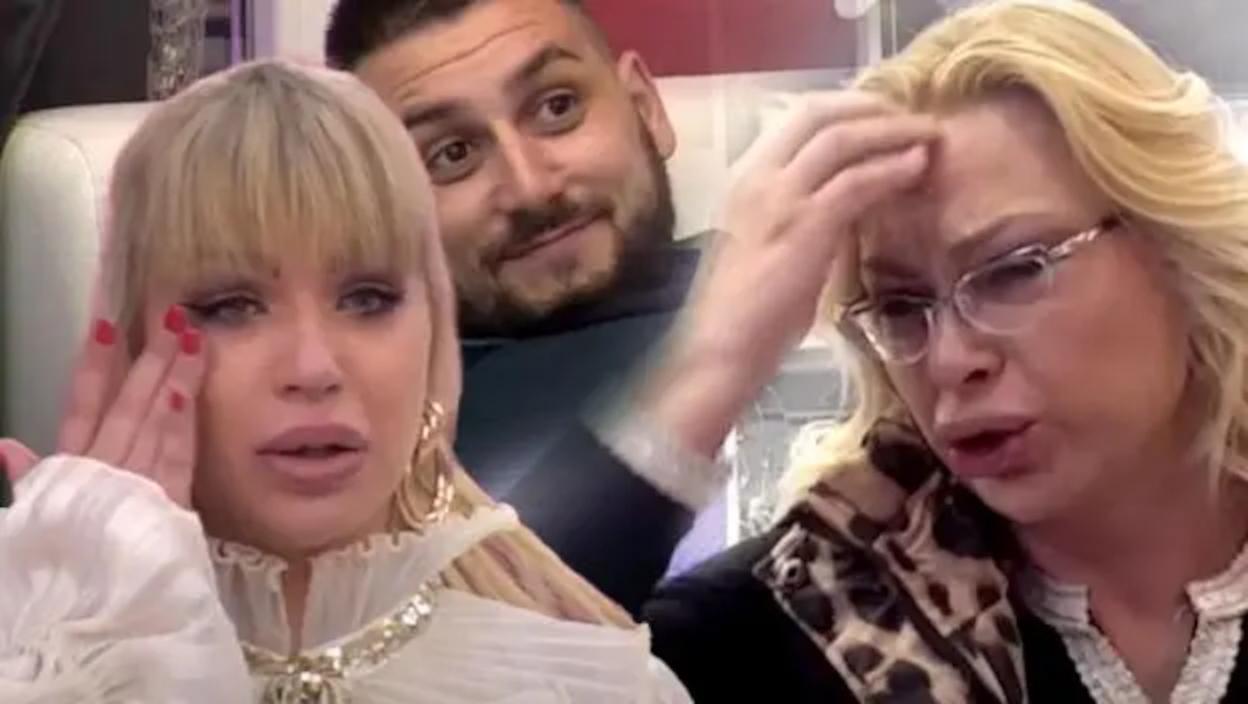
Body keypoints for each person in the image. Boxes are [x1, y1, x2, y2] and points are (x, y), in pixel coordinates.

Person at [0, 59, 689, 703]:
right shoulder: (36, 660)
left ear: (434, 331)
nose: (313, 369)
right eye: (231, 307)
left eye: (368, 298)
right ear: (133, 343)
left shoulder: (602, 686)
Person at [644, 0, 1248, 702]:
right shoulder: (783, 629)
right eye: (901, 307)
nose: (948, 360)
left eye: (1014, 271)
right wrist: (704, 375)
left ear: (1174, 246)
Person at [322, 0, 728, 606]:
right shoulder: (362, 451)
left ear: (645, 107)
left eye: (557, 107)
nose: (532, 188)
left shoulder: (824, 288)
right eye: (452, 154)